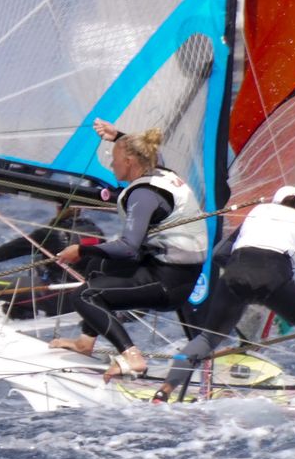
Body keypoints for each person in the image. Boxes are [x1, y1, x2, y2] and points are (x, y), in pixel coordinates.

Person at [49, 119, 207, 378]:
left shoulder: (142, 195)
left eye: (115, 160)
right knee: (98, 265)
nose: (112, 165)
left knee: (84, 295)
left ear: (130, 162)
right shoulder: (161, 173)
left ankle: (132, 357)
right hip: (172, 271)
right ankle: (85, 342)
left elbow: (128, 248)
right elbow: (149, 153)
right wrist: (117, 137)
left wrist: (81, 250)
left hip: (168, 284)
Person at [154, 185, 295, 402]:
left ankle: (164, 391)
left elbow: (219, 254)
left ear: (275, 202)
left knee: (207, 339)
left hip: (234, 275)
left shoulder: (255, 217)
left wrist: (243, 276)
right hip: (274, 279)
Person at [0, 200, 102, 319]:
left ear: (58, 208)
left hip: (54, 296)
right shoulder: (96, 232)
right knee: (38, 261)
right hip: (84, 297)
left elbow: (9, 251)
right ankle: (25, 311)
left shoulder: (50, 233)